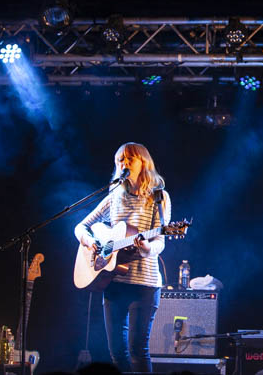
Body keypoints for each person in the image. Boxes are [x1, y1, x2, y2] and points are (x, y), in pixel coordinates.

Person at [74, 142, 171, 372]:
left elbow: (160, 242)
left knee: (138, 351)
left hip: (144, 284)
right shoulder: (114, 195)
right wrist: (90, 242)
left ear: (143, 162)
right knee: (117, 352)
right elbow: (80, 226)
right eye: (120, 160)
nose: (123, 164)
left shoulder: (159, 197)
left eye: (129, 159)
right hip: (114, 282)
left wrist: (145, 247)